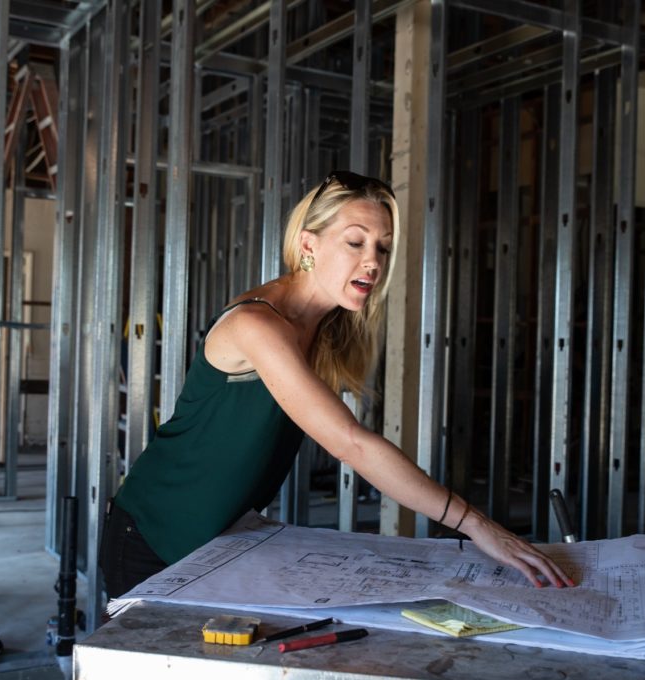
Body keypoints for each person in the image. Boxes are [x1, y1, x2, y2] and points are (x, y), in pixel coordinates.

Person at [101, 170, 573, 598]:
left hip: (219, 538)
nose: (372, 262)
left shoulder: (322, 329)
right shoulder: (258, 324)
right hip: (152, 537)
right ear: (309, 245)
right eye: (355, 242)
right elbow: (352, 444)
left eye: (382, 247)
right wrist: (476, 525)